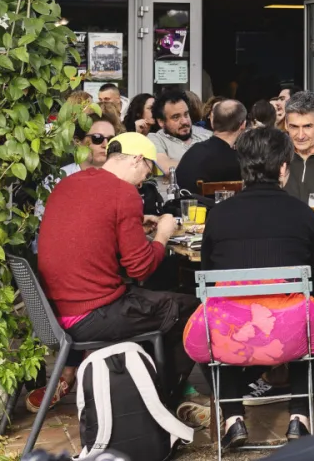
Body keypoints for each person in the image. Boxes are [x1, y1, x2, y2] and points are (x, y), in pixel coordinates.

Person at [37, 132, 206, 425]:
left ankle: (144, 392)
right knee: (190, 309)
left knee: (157, 302)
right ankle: (160, 402)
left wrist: (136, 222)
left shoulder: (71, 183)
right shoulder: (123, 193)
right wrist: (163, 234)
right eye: (148, 170)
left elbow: (90, 230)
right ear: (137, 159)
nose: (145, 180)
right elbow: (140, 268)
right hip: (91, 315)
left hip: (56, 313)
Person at [199, 126, 314, 448]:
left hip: (234, 336)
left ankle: (232, 417)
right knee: (313, 313)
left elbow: (207, 277)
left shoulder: (219, 215)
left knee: (214, 315)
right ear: (284, 168)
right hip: (291, 331)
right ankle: (300, 417)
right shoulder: (302, 214)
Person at [175, 99, 247, 195]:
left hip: (184, 208)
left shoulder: (193, 151)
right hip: (218, 209)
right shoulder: (237, 162)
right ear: (242, 125)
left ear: (212, 122)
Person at [148, 89, 210, 173]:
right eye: (176, 117)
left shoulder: (206, 135)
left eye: (186, 114)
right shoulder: (155, 139)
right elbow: (168, 168)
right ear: (161, 122)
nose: (184, 121)